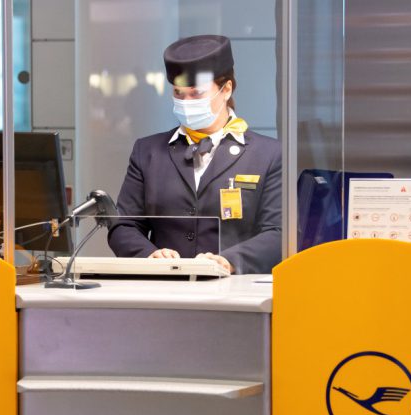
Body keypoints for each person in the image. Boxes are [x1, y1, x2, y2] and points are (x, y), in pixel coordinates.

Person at [107, 35, 282, 274]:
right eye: (179, 94)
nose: (186, 102)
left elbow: (279, 232)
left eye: (196, 93)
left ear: (226, 89)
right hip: (164, 288)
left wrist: (229, 261)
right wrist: (149, 254)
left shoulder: (268, 154)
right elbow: (123, 226)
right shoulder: (147, 152)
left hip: (236, 290)